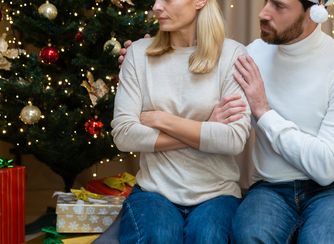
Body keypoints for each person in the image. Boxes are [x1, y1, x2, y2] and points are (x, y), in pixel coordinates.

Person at [110, 0, 251, 243]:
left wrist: (161, 119)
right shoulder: (138, 54)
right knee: (159, 236)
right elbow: (124, 134)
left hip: (217, 193)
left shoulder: (232, 55)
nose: (156, 6)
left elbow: (233, 140)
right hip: (154, 192)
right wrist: (205, 126)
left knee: (209, 236)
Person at [230, 0, 334, 243]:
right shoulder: (251, 54)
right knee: (249, 236)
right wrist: (145, 64)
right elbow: (204, 97)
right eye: (266, 1)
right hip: (269, 188)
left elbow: (326, 167)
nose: (263, 13)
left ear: (313, 13)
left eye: (278, 5)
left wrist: (264, 113)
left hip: (329, 192)